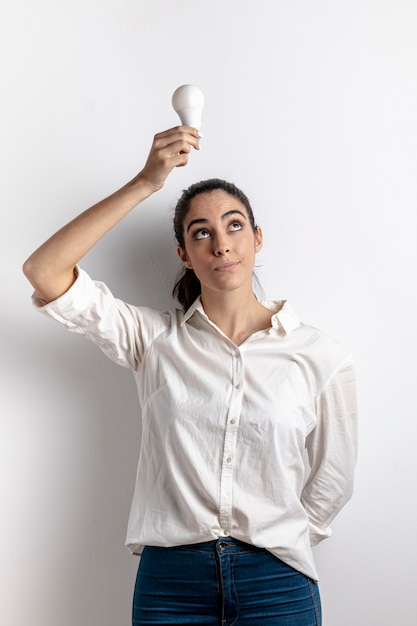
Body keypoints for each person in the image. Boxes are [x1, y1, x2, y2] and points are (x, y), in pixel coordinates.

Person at [23, 126, 357, 626]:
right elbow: (45, 271)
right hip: (170, 582)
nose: (222, 244)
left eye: (235, 225)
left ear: (257, 238)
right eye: (202, 232)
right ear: (184, 253)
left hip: (277, 579)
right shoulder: (154, 339)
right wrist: (145, 182)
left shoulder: (319, 354)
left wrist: (279, 539)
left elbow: (333, 478)